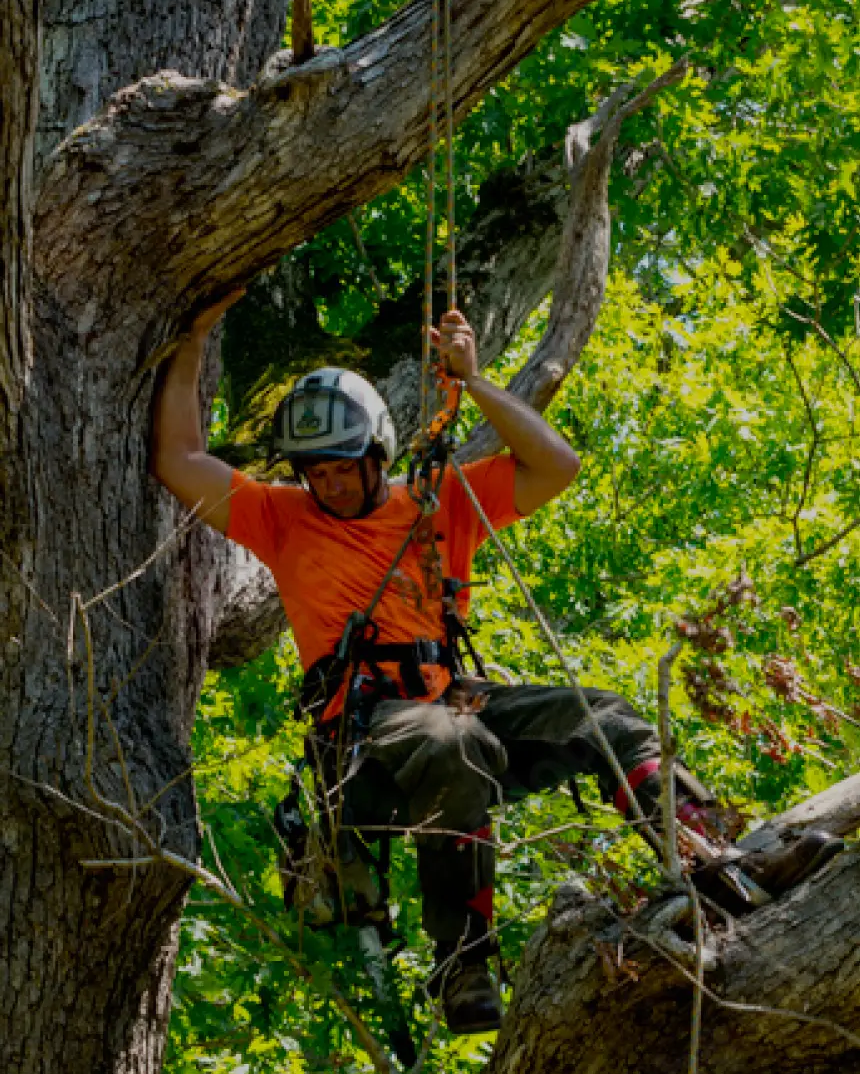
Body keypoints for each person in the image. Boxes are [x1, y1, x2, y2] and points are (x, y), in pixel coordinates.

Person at [151, 293, 843, 1035]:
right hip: (365, 740)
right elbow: (179, 461)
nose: (329, 484)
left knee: (603, 716)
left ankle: (715, 858)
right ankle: (465, 961)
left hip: (454, 705)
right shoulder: (280, 516)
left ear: (377, 452)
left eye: (343, 468)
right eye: (314, 471)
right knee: (456, 745)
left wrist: (475, 382)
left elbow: (556, 463)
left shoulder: (439, 501)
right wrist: (190, 338)